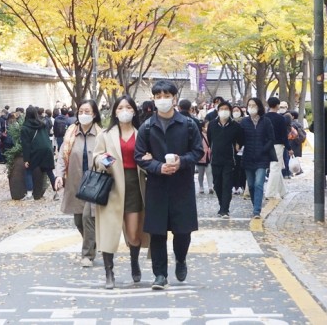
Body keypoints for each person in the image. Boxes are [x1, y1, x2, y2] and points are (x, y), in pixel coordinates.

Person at [135, 80, 204, 291]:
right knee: (157, 233)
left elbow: (198, 151)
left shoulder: (189, 124)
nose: (162, 100)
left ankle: (181, 259)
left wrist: (181, 162)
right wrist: (157, 166)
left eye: (166, 96)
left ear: (174, 98)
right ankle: (160, 275)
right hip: (157, 185)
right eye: (158, 96)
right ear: (154, 99)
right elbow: (139, 155)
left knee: (183, 231)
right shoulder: (147, 127)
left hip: (181, 185)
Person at [93, 95, 148, 288]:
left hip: (135, 184)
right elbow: (96, 156)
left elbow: (149, 156)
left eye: (128, 107)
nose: (124, 111)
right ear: (114, 111)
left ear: (134, 110)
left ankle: (134, 262)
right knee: (109, 232)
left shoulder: (142, 132)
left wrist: (149, 160)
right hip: (111, 184)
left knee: (134, 233)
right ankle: (109, 272)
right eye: (120, 107)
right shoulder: (106, 135)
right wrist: (102, 160)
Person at [57, 100, 102, 267]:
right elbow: (62, 156)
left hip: (94, 182)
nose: (83, 114)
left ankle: (87, 255)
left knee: (88, 217)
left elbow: (108, 155)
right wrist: (59, 175)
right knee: (78, 220)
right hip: (75, 181)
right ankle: (93, 242)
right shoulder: (71, 133)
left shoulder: (100, 134)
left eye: (87, 111)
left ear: (94, 114)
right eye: (81, 111)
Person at [207, 100, 244, 217]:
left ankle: (224, 209)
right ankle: (221, 204)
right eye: (221, 109)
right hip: (215, 159)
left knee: (227, 184)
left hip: (229, 159)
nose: (224, 111)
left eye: (226, 109)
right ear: (217, 111)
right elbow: (209, 139)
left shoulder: (235, 126)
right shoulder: (212, 124)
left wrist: (238, 145)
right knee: (217, 184)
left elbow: (241, 139)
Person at [240, 97, 274, 219]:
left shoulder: (266, 121)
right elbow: (240, 138)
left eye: (254, 105)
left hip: (262, 158)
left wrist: (263, 150)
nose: (251, 108)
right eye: (249, 105)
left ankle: (256, 211)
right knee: (251, 185)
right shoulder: (244, 122)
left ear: (259, 107)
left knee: (259, 183)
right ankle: (256, 204)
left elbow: (271, 139)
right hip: (248, 157)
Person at [20, 106, 58, 201]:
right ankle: (56, 193)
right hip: (47, 149)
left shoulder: (25, 127)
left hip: (35, 150)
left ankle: (29, 194)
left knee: (28, 171)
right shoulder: (42, 124)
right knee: (49, 171)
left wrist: (26, 159)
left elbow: (26, 144)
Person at [264, 96, 289, 197]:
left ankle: (282, 191)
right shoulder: (280, 118)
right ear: (277, 105)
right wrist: (289, 147)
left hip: (266, 144)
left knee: (276, 167)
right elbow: (284, 134)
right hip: (278, 144)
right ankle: (270, 193)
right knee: (275, 167)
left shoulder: (264, 117)